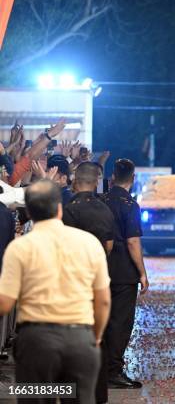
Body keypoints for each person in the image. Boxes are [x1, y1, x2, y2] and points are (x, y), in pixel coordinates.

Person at [0, 180, 111, 403]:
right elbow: (103, 301)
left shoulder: (20, 247)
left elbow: (5, 303)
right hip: (80, 340)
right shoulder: (89, 243)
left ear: (29, 211)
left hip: (36, 344)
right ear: (60, 208)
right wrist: (94, 337)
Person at [62, 162, 116, 403]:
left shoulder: (67, 209)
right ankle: (98, 394)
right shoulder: (105, 211)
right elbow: (110, 246)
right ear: (96, 182)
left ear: (75, 180)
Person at [101, 159, 149, 389]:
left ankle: (100, 369)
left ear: (112, 177)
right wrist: (142, 273)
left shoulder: (102, 201)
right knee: (120, 323)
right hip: (123, 273)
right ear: (133, 178)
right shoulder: (129, 205)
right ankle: (113, 371)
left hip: (101, 269)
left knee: (103, 320)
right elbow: (132, 241)